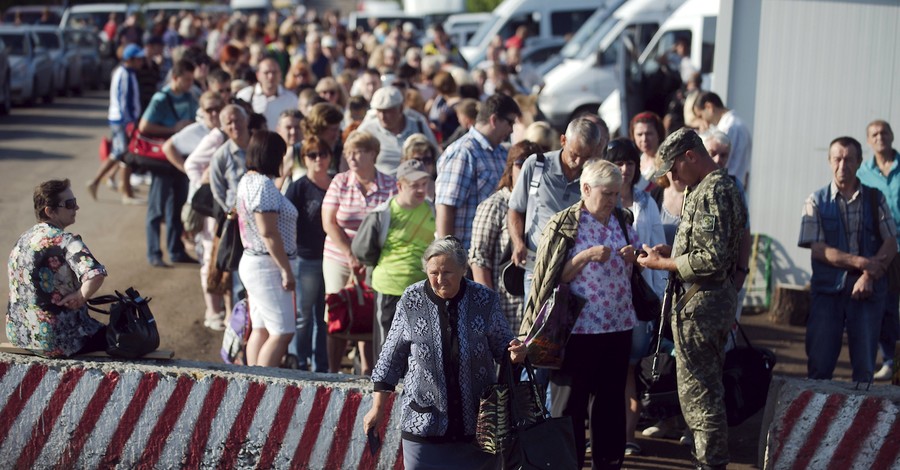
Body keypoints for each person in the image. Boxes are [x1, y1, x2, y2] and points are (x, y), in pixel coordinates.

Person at [637, 128, 748, 470]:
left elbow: (711, 261)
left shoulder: (713, 191)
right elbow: (712, 248)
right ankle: (709, 459)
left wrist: (663, 263)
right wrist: (675, 251)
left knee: (700, 394)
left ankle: (710, 462)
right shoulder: (712, 187)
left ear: (691, 156)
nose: (671, 177)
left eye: (673, 168)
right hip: (705, 303)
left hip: (702, 307)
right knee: (704, 389)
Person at [363, 236, 525, 469]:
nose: (440, 280)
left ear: (463, 269)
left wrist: (516, 352)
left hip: (479, 430)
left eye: (447, 272)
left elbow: (503, 346)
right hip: (424, 425)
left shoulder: (484, 299)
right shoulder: (411, 299)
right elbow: (391, 356)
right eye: (433, 273)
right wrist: (377, 408)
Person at [519, 160, 641, 469]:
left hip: (617, 325)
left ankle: (608, 462)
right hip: (576, 330)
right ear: (585, 189)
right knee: (569, 404)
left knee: (610, 404)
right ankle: (566, 463)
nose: (612, 200)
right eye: (607, 193)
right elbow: (550, 277)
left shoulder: (622, 220)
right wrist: (585, 256)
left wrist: (636, 256)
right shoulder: (565, 224)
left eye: (616, 193)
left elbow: (638, 257)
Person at [799, 136, 896, 383]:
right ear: (829, 161)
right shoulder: (816, 201)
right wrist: (863, 264)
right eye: (837, 159)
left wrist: (868, 276)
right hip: (828, 292)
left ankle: (862, 422)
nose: (843, 166)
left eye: (849, 159)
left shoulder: (876, 199)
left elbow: (891, 243)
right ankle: (815, 420)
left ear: (860, 162)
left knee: (864, 371)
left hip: (867, 292)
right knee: (819, 367)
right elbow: (820, 250)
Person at [601, 138, 667, 456]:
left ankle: (627, 437)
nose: (625, 169)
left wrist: (658, 299)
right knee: (603, 372)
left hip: (636, 299)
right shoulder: (597, 201)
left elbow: (656, 253)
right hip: (601, 301)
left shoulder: (647, 202)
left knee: (629, 369)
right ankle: (602, 437)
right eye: (619, 162)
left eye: (630, 163)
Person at [321, 131, 397, 374]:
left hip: (374, 259)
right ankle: (333, 371)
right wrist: (351, 256)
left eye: (357, 152)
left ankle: (366, 370)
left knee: (367, 313)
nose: (351, 158)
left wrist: (367, 258)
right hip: (338, 256)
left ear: (373, 154)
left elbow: (393, 222)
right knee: (336, 312)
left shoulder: (389, 184)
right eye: (348, 153)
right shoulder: (340, 181)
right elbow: (329, 222)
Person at [7, 179, 108, 357]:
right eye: (70, 204)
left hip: (20, 335)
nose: (76, 208)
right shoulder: (66, 241)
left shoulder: (23, 240)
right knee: (126, 338)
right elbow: (95, 274)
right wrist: (80, 297)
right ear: (50, 211)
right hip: (60, 338)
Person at [509, 117, 601, 297]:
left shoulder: (594, 177)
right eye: (574, 154)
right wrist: (518, 243)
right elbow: (515, 209)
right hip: (536, 265)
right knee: (534, 324)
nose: (579, 162)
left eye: (586, 156)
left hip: (577, 270)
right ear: (563, 140)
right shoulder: (537, 165)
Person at [356, 159, 436, 360]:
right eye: (414, 185)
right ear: (399, 186)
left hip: (422, 288)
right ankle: (385, 391)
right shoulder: (383, 213)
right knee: (387, 348)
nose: (420, 189)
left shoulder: (432, 209)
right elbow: (361, 249)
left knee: (419, 347)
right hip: (389, 287)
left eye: (424, 184)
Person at [236, 130, 298, 367]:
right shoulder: (263, 185)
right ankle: (262, 385)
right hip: (267, 264)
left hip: (255, 261)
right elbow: (268, 231)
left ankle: (254, 382)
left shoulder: (247, 180)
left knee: (261, 329)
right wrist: (286, 271)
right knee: (283, 331)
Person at [470, 140, 541, 333]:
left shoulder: (543, 205)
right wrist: (489, 309)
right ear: (510, 168)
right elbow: (478, 260)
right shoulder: (494, 205)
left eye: (534, 165)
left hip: (536, 303)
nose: (527, 169)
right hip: (504, 306)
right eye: (521, 163)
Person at [435, 94, 521, 250]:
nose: (511, 130)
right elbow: (445, 207)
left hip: (493, 254)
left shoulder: (501, 153)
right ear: (494, 120)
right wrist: (449, 255)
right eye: (509, 122)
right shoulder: (463, 152)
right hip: (466, 255)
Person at [139, 59, 199, 267]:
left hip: (182, 159)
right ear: (175, 78)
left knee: (177, 207)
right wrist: (174, 128)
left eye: (192, 79)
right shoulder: (160, 99)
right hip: (163, 161)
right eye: (187, 79)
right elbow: (145, 126)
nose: (191, 83)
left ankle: (176, 251)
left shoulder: (191, 96)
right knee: (156, 209)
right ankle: (154, 253)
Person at [284, 135, 332, 372]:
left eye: (323, 153)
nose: (318, 159)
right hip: (307, 258)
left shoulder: (336, 182)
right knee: (304, 315)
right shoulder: (299, 186)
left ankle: (321, 365)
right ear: (304, 159)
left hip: (332, 259)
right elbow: (284, 220)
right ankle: (298, 363)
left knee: (324, 317)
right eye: (312, 155)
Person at [858, 120, 900, 380]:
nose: (880, 137)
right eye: (874, 134)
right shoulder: (862, 172)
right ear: (869, 141)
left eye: (884, 132)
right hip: (885, 248)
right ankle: (890, 360)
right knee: (887, 307)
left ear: (892, 136)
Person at [87, 43, 144, 204]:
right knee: (123, 153)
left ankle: (111, 181)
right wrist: (130, 123)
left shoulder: (127, 72)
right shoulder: (124, 74)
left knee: (120, 153)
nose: (141, 62)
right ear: (131, 59)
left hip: (122, 119)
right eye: (138, 59)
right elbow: (124, 101)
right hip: (122, 120)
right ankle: (111, 185)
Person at [356, 86, 437, 175]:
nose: (382, 117)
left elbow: (436, 154)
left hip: (416, 184)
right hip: (381, 186)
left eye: (387, 111)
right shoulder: (367, 130)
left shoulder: (419, 125)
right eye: (379, 111)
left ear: (401, 108)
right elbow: (349, 154)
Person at [693, 92, 753, 187]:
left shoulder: (727, 128)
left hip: (726, 186)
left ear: (709, 107)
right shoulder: (741, 124)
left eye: (701, 116)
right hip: (739, 186)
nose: (703, 121)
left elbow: (719, 164)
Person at [235, 57, 298, 130]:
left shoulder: (291, 99)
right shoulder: (244, 96)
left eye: (274, 72)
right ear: (258, 75)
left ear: (280, 74)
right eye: (266, 73)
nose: (271, 76)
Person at [630, 111, 665, 192]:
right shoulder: (634, 161)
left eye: (649, 134)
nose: (644, 139)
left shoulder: (666, 161)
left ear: (658, 134)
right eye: (639, 134)